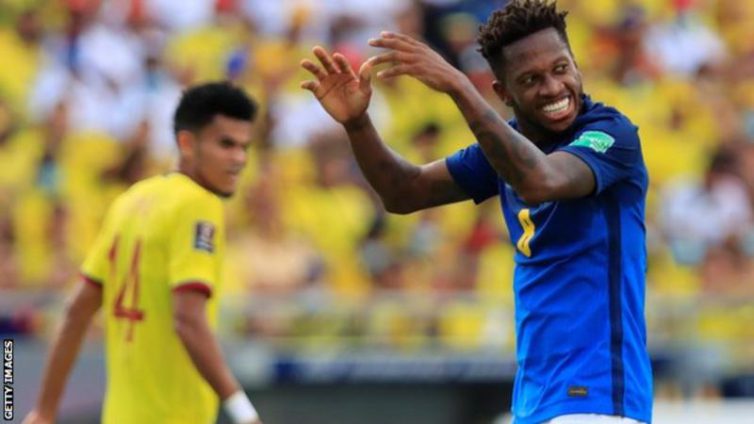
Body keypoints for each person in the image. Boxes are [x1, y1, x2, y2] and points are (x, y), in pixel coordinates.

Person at [300, 0, 652, 423]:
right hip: (539, 397)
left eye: (561, 69)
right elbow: (403, 193)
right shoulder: (504, 150)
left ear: (576, 65)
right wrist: (358, 124)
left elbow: (541, 180)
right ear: (503, 94)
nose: (554, 87)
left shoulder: (611, 134)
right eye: (531, 79)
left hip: (597, 395)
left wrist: (457, 85)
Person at [23, 82, 263, 424]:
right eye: (226, 144)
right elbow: (188, 320)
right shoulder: (199, 204)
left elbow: (77, 310)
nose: (239, 159)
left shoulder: (130, 201)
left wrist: (45, 411)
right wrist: (244, 412)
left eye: (244, 147)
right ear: (187, 143)